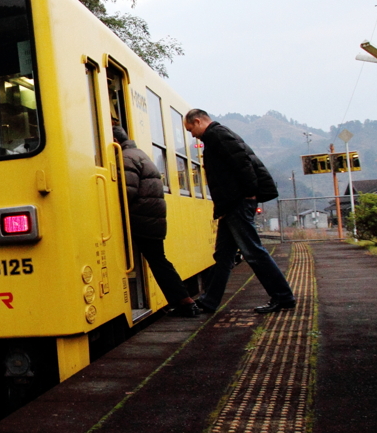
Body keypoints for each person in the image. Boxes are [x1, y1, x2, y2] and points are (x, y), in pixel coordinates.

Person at [183, 109, 296, 314]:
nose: (192, 134)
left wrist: (250, 193)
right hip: (231, 203)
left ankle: (283, 297)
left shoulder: (217, 135)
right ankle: (208, 301)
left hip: (237, 202)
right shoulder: (217, 135)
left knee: (252, 251)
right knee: (223, 255)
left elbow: (242, 163)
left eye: (191, 129)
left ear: (198, 121)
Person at [113, 126, 202, 318]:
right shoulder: (138, 154)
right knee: (159, 261)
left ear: (114, 141)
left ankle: (185, 302)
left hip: (142, 220)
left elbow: (127, 191)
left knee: (159, 263)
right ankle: (184, 301)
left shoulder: (126, 157)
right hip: (151, 219)